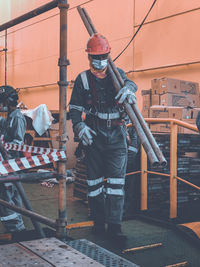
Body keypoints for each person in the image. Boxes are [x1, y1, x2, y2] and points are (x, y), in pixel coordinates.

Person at [69, 33, 137, 246]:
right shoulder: (82, 79)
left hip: (117, 136)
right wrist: (79, 126)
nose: (99, 61)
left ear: (109, 55)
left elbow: (130, 83)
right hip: (94, 135)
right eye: (95, 57)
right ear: (89, 57)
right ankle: (99, 222)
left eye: (103, 56)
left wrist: (130, 88)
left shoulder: (118, 75)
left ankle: (115, 227)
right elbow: (74, 108)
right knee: (94, 184)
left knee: (116, 185)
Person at [0, 85, 26, 233]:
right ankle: (17, 227)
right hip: (6, 164)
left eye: (2, 102)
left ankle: (17, 229)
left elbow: (18, 142)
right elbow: (4, 127)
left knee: (8, 196)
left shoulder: (17, 118)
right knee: (12, 196)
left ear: (8, 101)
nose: (1, 106)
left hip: (12, 164)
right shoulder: (9, 117)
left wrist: (4, 147)